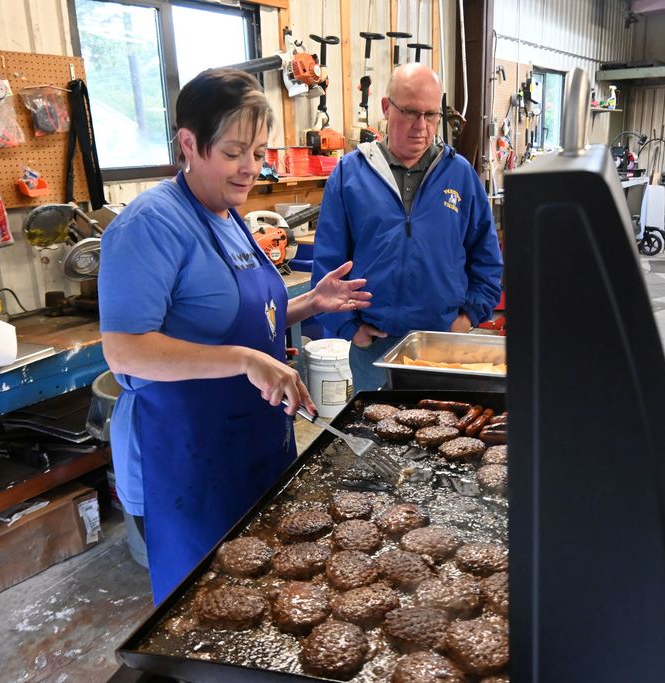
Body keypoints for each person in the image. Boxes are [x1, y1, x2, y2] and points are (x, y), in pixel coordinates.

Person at [98, 69, 371, 604]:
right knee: (205, 606)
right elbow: (125, 350)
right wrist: (246, 360)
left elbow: (248, 322)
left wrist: (310, 304)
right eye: (233, 152)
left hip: (256, 444)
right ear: (188, 144)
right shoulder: (150, 225)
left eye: (259, 152)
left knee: (267, 593)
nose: (250, 167)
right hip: (190, 460)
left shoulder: (229, 214)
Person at [311, 63, 503, 391]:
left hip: (445, 344)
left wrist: (469, 316)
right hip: (374, 347)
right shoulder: (349, 175)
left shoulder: (460, 176)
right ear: (387, 108)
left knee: (447, 421)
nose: (422, 127)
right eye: (411, 112)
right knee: (373, 424)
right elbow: (328, 263)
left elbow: (487, 259)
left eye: (431, 115)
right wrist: (349, 328)